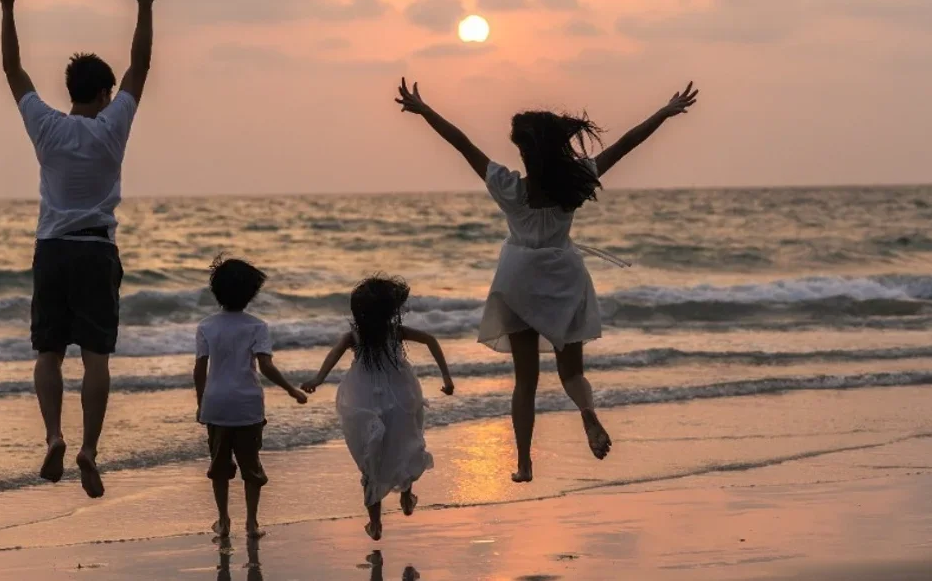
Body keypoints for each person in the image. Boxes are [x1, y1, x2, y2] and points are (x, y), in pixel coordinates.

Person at [395, 77, 698, 482]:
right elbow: (627, 144)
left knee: (526, 382)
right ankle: (588, 415)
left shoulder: (509, 188)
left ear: (524, 151)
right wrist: (663, 113)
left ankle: (524, 463)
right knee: (571, 372)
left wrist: (425, 110)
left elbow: (462, 143)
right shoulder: (574, 182)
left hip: (518, 282)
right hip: (563, 281)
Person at [0, 0, 164, 498]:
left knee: (48, 354)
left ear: (69, 91)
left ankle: (53, 436)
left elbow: (12, 70)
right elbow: (141, 65)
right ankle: (88, 447)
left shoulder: (46, 127)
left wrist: (8, 7)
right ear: (105, 93)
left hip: (52, 250)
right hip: (96, 250)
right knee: (95, 359)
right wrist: (145, 5)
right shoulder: (112, 127)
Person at [301, 276, 455, 540]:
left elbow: (333, 355)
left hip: (365, 398)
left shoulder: (356, 335)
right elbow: (431, 340)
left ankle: (375, 523)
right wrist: (447, 378)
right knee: (405, 443)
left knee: (371, 457)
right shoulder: (394, 331)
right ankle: (406, 494)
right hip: (401, 393)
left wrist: (318, 379)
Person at [195, 256, 309, 540]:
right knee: (251, 467)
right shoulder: (257, 326)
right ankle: (251, 523)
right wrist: (291, 390)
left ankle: (223, 520)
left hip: (216, 405)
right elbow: (266, 366)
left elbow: (199, 369)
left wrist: (201, 403)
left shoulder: (206, 326)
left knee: (219, 468)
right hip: (247, 406)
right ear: (251, 293)